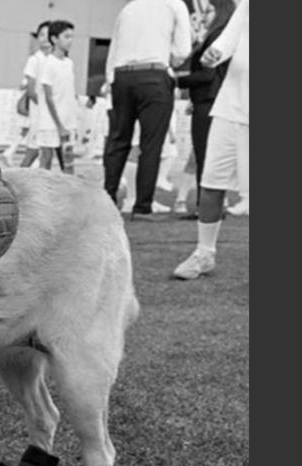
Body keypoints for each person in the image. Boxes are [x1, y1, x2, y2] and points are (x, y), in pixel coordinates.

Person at [173, 0, 248, 280]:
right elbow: (229, 38)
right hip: (229, 106)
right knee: (211, 182)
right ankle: (204, 254)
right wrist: (214, 54)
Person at [103, 0, 192, 219]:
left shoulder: (128, 8)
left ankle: (107, 200)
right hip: (154, 75)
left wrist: (111, 79)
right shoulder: (175, 5)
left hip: (122, 76)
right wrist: (169, 58)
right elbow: (183, 50)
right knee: (151, 145)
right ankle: (142, 206)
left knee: (118, 140)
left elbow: (114, 49)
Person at [175, 0, 235, 219]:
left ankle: (207, 208)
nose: (204, 16)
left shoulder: (217, 36)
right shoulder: (222, 36)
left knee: (205, 157)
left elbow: (207, 74)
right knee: (208, 157)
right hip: (210, 100)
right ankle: (210, 207)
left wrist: (177, 81)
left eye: (209, 11)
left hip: (209, 101)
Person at [36, 20, 78, 174]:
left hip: (68, 122)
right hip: (50, 123)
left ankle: (68, 189)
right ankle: (40, 188)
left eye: (72, 36)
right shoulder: (48, 63)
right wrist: (59, 125)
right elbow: (49, 98)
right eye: (66, 36)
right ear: (54, 39)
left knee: (68, 165)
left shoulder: (69, 63)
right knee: (45, 162)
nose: (70, 40)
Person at [18, 21, 51, 168]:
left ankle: (44, 180)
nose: (45, 38)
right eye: (41, 35)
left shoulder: (53, 60)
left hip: (50, 115)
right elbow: (31, 91)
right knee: (33, 151)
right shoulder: (34, 60)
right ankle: (17, 178)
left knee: (47, 153)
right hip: (39, 113)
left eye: (48, 34)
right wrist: (46, 108)